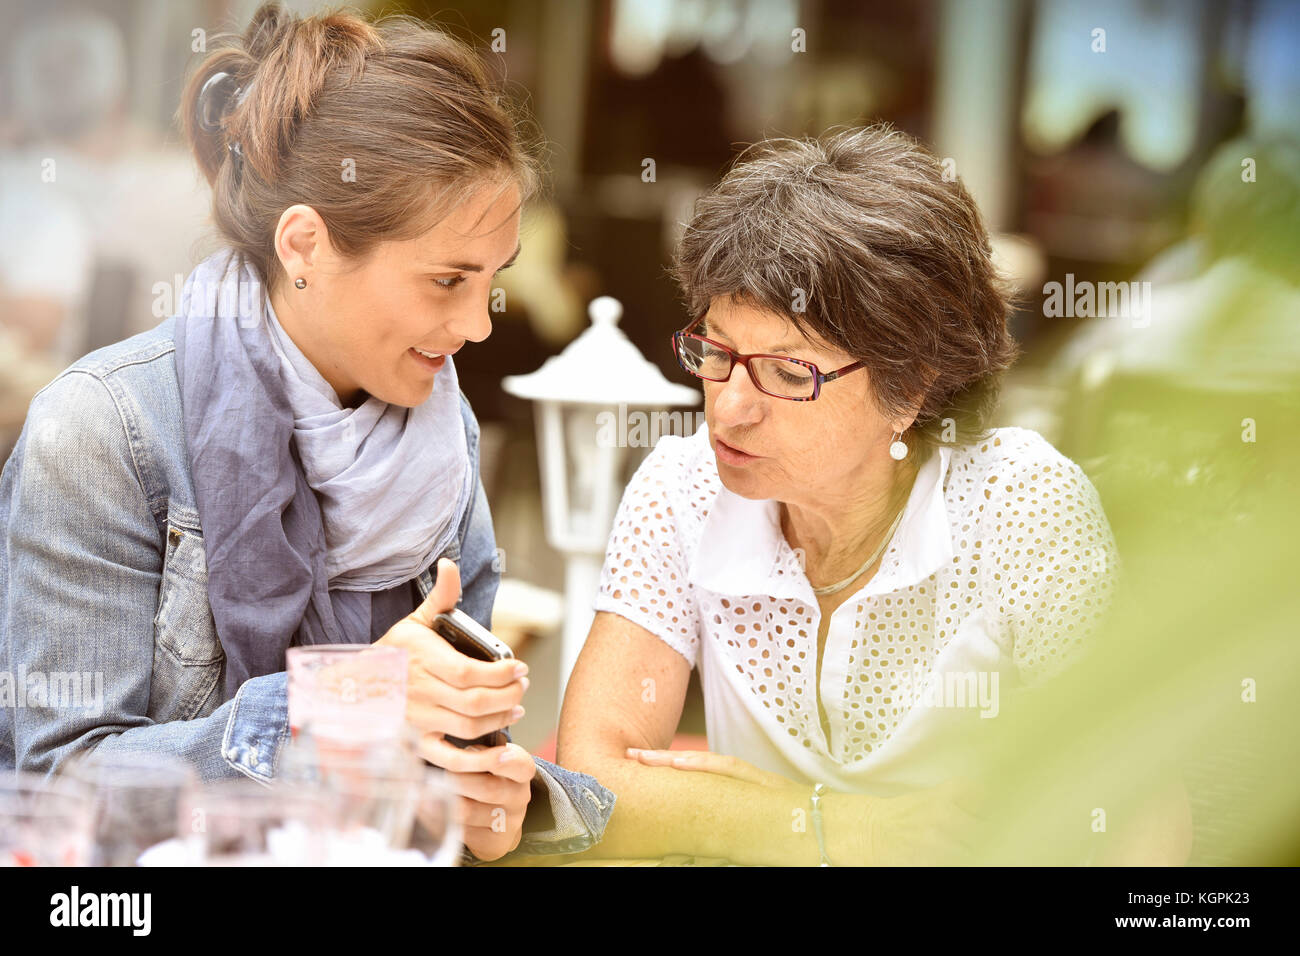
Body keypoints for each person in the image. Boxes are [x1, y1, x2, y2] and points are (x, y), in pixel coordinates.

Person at [0, 2, 613, 863]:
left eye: (492, 280)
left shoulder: (442, 435)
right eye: (447, 280)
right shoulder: (103, 429)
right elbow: (64, 790)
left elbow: (436, 759)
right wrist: (342, 702)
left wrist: (494, 803)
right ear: (305, 246)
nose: (479, 324)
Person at [557, 125, 1192, 865]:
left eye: (790, 373)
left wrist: (713, 814)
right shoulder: (684, 484)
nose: (728, 407)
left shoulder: (1019, 504)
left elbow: (1139, 809)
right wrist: (841, 830)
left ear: (910, 388)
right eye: (717, 351)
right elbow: (591, 787)